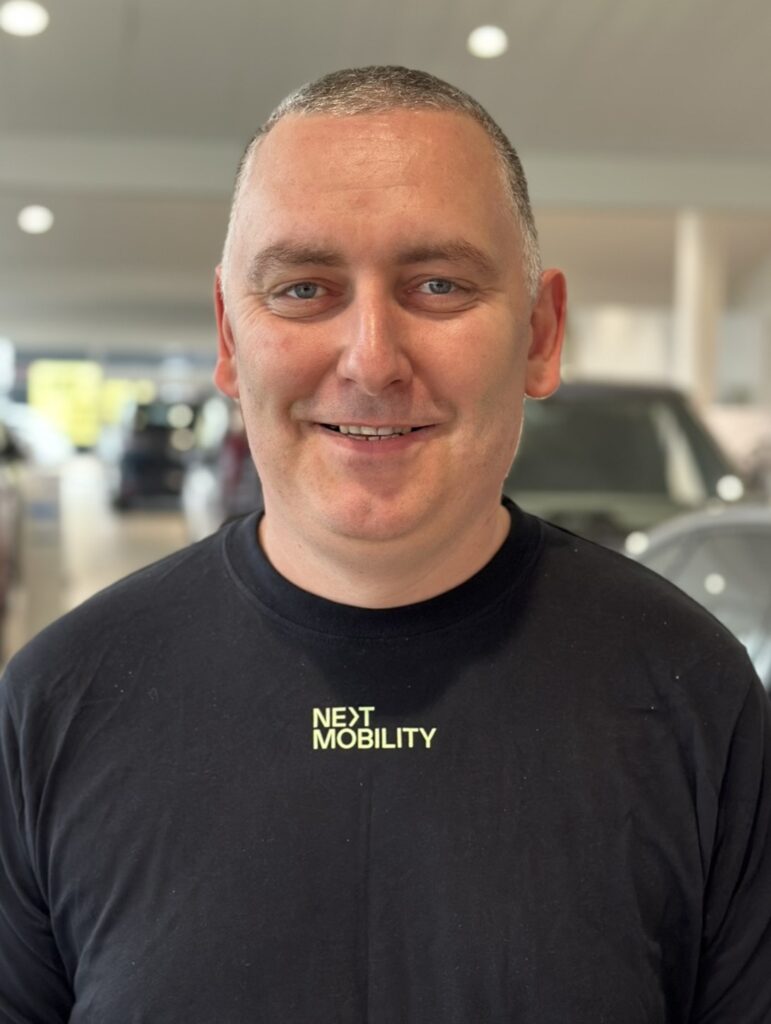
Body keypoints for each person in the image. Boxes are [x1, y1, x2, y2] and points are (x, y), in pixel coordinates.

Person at [1, 66, 770, 1024]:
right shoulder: (60, 702)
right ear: (231, 340)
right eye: (303, 289)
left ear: (540, 334)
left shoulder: (692, 693)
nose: (370, 360)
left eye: (438, 285)